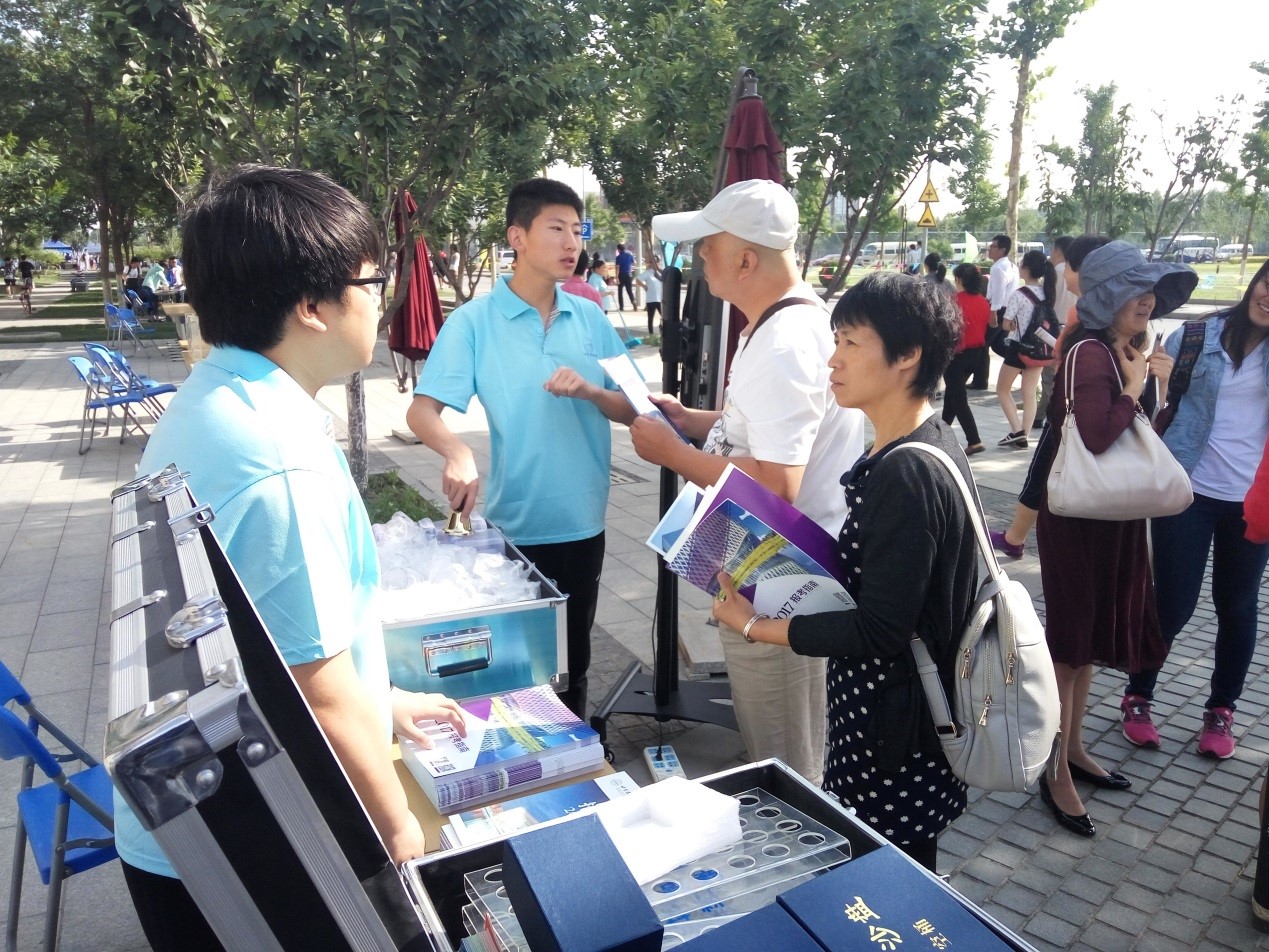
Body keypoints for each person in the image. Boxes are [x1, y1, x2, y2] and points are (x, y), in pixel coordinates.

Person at [115, 164, 467, 951]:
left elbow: (271, 639)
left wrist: (384, 701)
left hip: (196, 814)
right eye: (371, 281)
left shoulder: (216, 398)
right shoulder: (276, 459)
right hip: (245, 844)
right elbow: (317, 689)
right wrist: (402, 842)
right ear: (312, 306)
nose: (380, 299)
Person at [711, 272, 975, 871]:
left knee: (890, 878)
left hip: (896, 733)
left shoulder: (907, 473)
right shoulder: (919, 442)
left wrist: (756, 626)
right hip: (892, 716)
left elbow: (880, 629)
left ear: (907, 356)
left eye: (852, 343)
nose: (833, 360)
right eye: (836, 341)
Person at [630, 179, 866, 785]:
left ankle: (799, 833)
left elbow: (778, 482)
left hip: (780, 579)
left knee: (786, 757)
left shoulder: (783, 341)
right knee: (778, 733)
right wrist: (697, 421)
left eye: (707, 245)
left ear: (745, 260)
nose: (699, 258)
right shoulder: (787, 322)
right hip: (767, 567)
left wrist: (673, 452)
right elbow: (769, 432)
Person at [407, 179, 635, 718]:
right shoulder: (474, 322)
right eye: (556, 228)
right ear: (518, 237)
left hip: (582, 522)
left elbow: (633, 409)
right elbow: (422, 410)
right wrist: (457, 453)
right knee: (516, 673)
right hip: (515, 528)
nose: (572, 243)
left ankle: (577, 755)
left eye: (577, 231)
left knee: (572, 665)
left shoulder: (590, 317)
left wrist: (591, 391)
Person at [1035, 240, 1194, 838]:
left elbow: (1142, 438)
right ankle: (1054, 768)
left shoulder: (1121, 351)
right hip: (1080, 522)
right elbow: (1098, 437)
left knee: (1088, 643)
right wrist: (1132, 387)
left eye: (1150, 290)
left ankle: (1073, 747)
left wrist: (1154, 386)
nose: (1147, 300)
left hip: (1113, 517)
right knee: (1069, 647)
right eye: (1135, 289)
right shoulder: (1090, 353)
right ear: (1107, 297)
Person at [1120, 257, 1269, 759]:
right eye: (1268, 283)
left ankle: (1221, 709)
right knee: (1174, 602)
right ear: (1255, 283)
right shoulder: (1198, 334)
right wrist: (1156, 376)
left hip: (1253, 500)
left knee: (1238, 606)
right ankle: (1138, 695)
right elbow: (1159, 401)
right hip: (1188, 489)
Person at [990, 234, 1111, 560]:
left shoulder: (1086, 315)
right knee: (1031, 395)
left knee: (1042, 469)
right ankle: (1018, 536)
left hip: (1069, 406)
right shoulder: (1093, 308)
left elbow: (1067, 356)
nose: (1062, 271)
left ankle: (1016, 538)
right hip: (1079, 402)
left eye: (1068, 264)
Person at [994, 249, 1056, 448]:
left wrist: (1011, 324)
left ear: (1027, 268)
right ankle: (1025, 435)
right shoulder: (1047, 293)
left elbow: (1006, 324)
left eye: (1021, 264)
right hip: (1039, 349)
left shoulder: (1019, 294)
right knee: (1029, 392)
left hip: (1018, 347)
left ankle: (1016, 431)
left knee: (1002, 389)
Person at [942, 263, 990, 455]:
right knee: (952, 396)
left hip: (956, 356)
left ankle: (974, 440)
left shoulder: (953, 301)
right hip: (977, 355)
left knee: (958, 399)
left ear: (959, 279)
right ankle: (940, 434)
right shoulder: (983, 301)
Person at [1035, 237, 1076, 424]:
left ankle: (1048, 415)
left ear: (1058, 251)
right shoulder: (1077, 271)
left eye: (1052, 249)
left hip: (1053, 329)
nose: (1050, 254)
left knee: (1049, 376)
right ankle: (1043, 414)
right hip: (1072, 326)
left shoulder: (1056, 272)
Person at [974, 234, 1020, 389]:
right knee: (999, 345)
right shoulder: (1011, 266)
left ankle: (980, 381)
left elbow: (999, 293)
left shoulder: (998, 268)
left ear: (1002, 250)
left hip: (998, 309)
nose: (989, 249)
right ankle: (1020, 366)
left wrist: (993, 312)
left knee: (983, 344)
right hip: (1007, 309)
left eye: (993, 246)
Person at [636, 256, 663, 335]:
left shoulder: (661, 272)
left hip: (660, 299)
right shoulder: (647, 273)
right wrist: (644, 286)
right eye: (652, 262)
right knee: (650, 318)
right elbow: (638, 279)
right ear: (650, 263)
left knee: (664, 317)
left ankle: (664, 332)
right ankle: (651, 334)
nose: (654, 264)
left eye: (656, 262)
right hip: (651, 299)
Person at [615, 242, 636, 311]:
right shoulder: (629, 255)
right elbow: (634, 263)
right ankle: (634, 303)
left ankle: (621, 307)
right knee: (629, 291)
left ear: (619, 249)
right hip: (628, 275)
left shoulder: (618, 257)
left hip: (621, 275)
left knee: (620, 291)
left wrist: (616, 278)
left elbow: (617, 268)